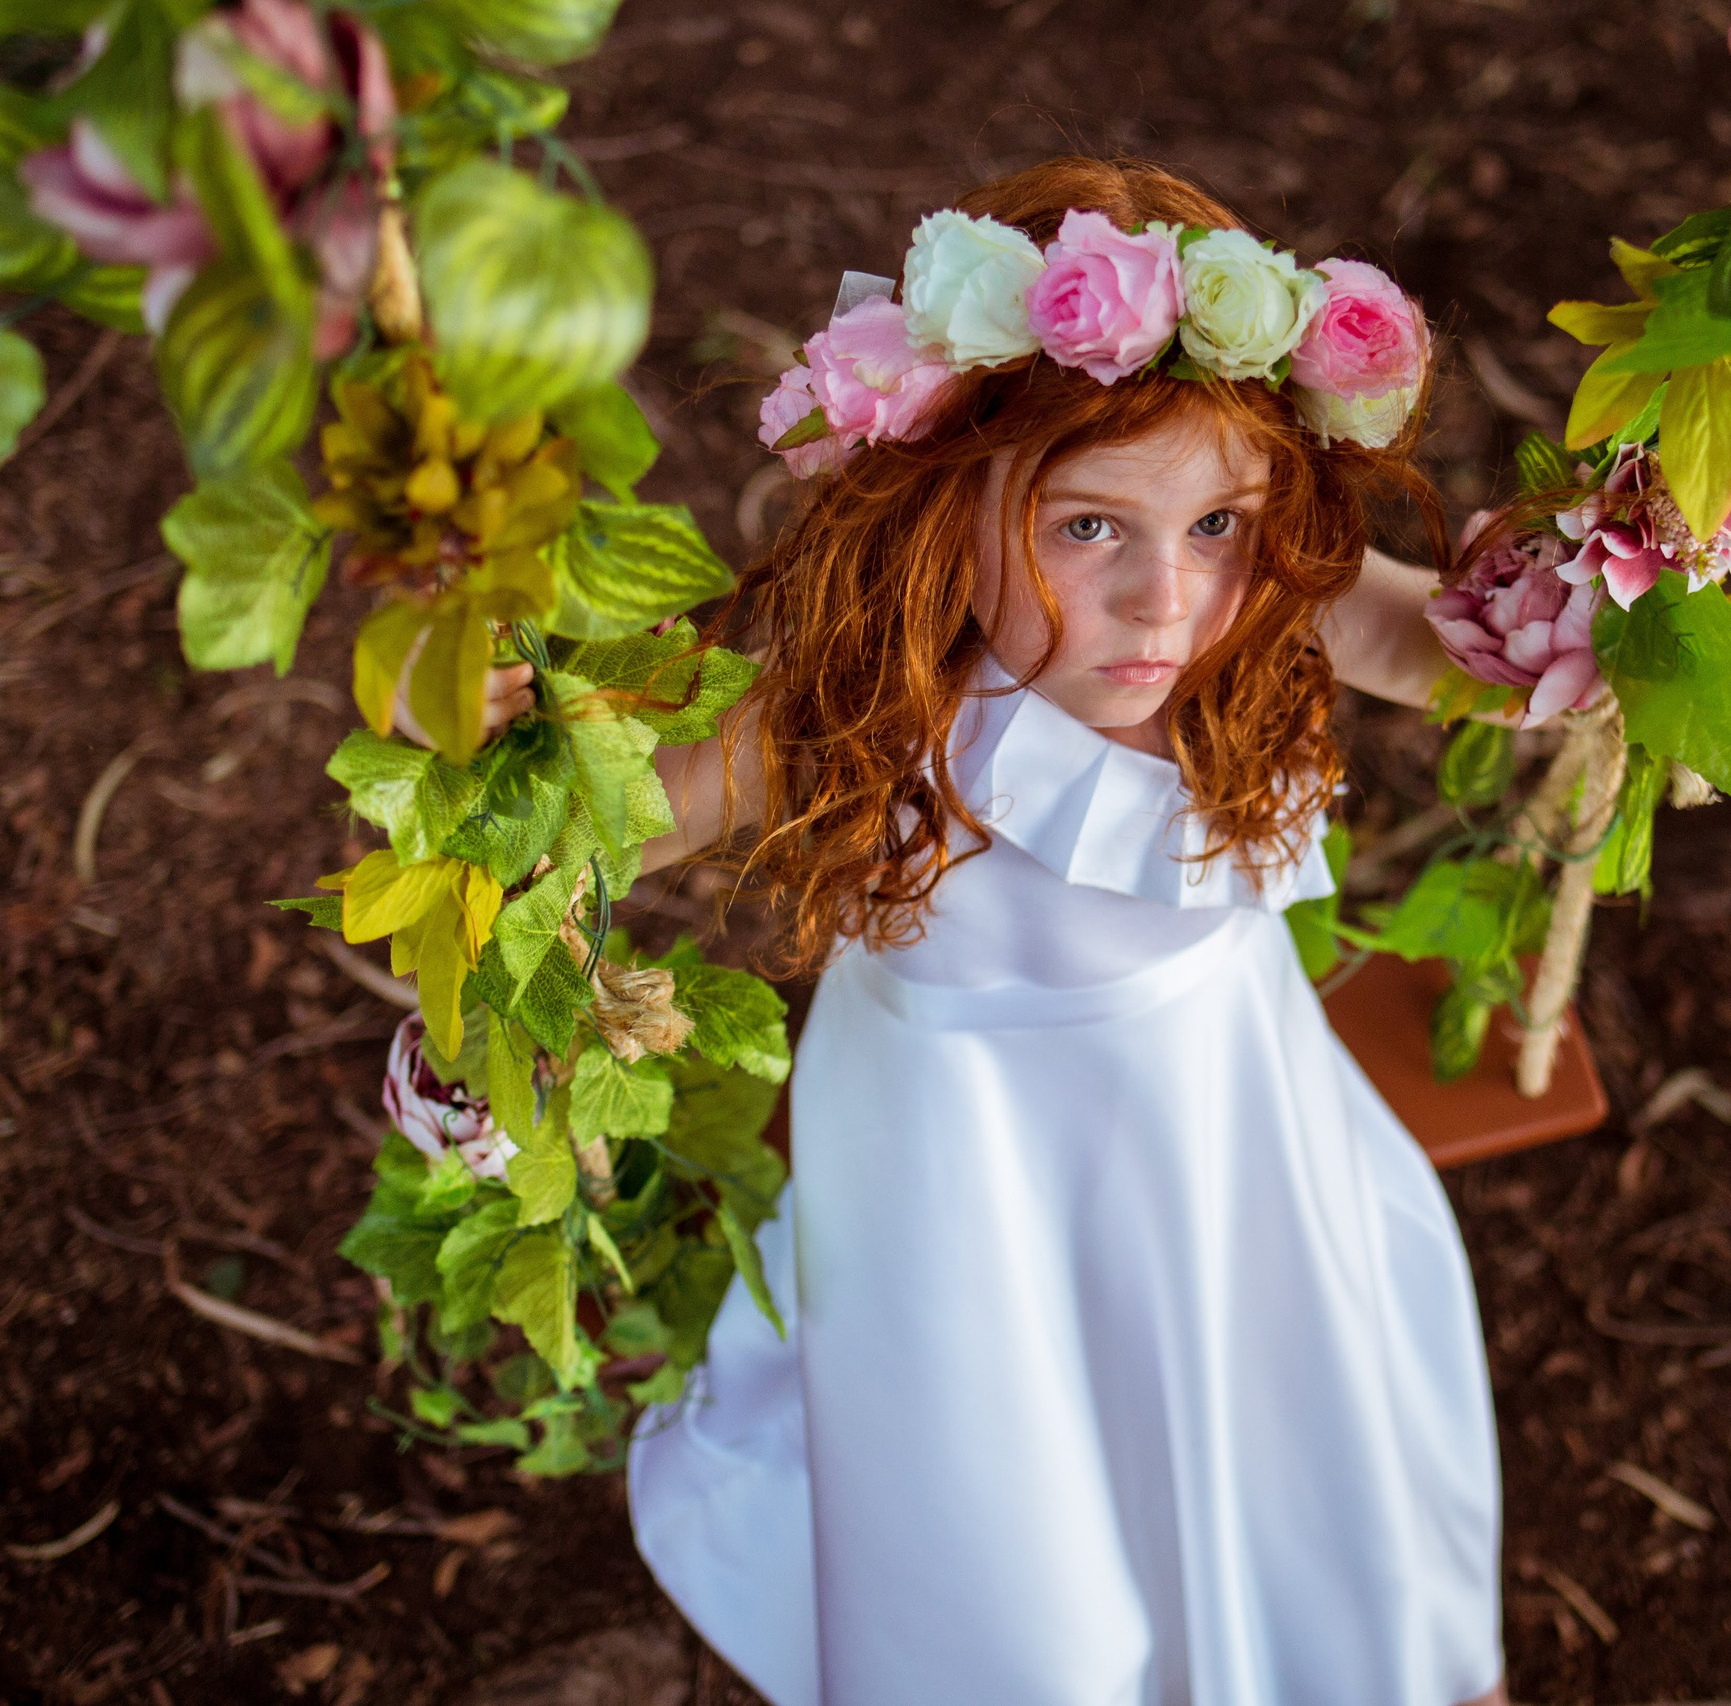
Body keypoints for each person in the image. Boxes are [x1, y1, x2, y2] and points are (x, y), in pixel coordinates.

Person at [420, 158, 1508, 1706]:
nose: (1161, 601)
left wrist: (1571, 633)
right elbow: (624, 808)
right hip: (974, 1199)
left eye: (1213, 521)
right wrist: (459, 716)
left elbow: (1425, 636)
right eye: (1087, 528)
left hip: (1226, 1147)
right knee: (1024, 1543)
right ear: (959, 507)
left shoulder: (1252, 612)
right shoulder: (888, 717)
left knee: (1282, 1450)